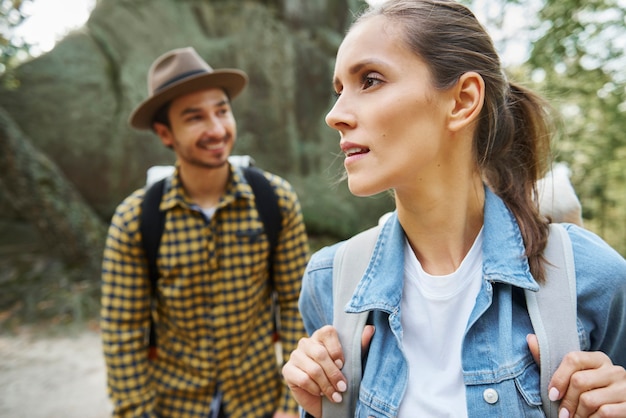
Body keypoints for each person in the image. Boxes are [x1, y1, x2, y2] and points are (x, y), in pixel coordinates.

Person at [281, 1, 626, 417]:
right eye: (339, 91)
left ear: (463, 100)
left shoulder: (591, 277)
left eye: (369, 80)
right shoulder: (330, 283)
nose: (334, 116)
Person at [101, 46, 310, 418]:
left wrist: (289, 404)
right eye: (195, 117)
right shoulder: (136, 219)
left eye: (222, 111)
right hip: (175, 404)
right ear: (165, 133)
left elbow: (299, 305)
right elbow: (122, 330)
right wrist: (138, 413)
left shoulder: (274, 200)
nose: (217, 129)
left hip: (259, 402)